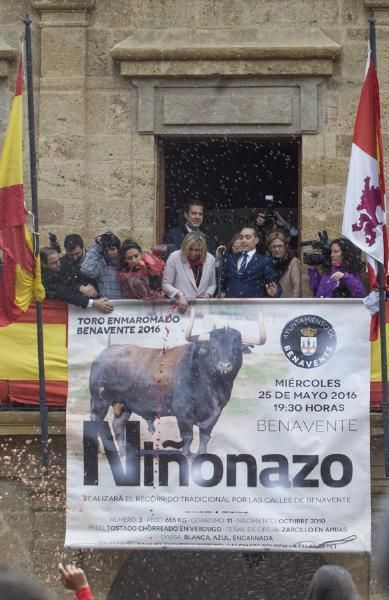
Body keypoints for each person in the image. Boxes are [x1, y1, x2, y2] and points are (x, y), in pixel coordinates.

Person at [40, 247, 113, 313]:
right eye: (53, 263)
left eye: (58, 260)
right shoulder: (45, 277)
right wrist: (94, 303)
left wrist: (82, 286)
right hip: (53, 314)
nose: (58, 264)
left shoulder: (62, 265)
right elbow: (66, 293)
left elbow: (71, 279)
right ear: (43, 264)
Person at [220, 226, 281, 298]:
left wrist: (274, 292)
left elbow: (276, 287)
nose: (243, 240)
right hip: (232, 306)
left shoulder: (265, 261)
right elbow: (221, 282)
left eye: (247, 237)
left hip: (254, 307)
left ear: (256, 240)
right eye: (241, 237)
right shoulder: (230, 258)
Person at [162, 231, 216, 312]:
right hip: (179, 308)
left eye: (197, 250)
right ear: (185, 247)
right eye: (190, 249)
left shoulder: (210, 259)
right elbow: (166, 284)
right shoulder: (174, 257)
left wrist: (207, 295)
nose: (193, 253)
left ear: (202, 249)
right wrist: (179, 296)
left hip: (202, 309)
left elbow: (212, 284)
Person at [81, 231, 122, 299]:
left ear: (118, 249)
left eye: (113, 249)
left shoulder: (126, 263)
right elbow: (86, 270)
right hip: (106, 306)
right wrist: (97, 246)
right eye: (106, 250)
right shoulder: (102, 264)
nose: (109, 253)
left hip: (125, 306)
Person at [59, 234, 98, 300]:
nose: (75, 257)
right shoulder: (61, 263)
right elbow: (59, 284)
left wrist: (96, 289)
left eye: (77, 253)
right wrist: (79, 287)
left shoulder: (94, 260)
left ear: (83, 248)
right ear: (66, 250)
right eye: (71, 255)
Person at [267, 231, 301, 297]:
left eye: (280, 246)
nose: (277, 249)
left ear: (286, 246)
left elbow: (297, 288)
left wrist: (294, 305)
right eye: (274, 246)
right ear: (269, 248)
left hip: (288, 304)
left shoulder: (293, 262)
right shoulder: (268, 263)